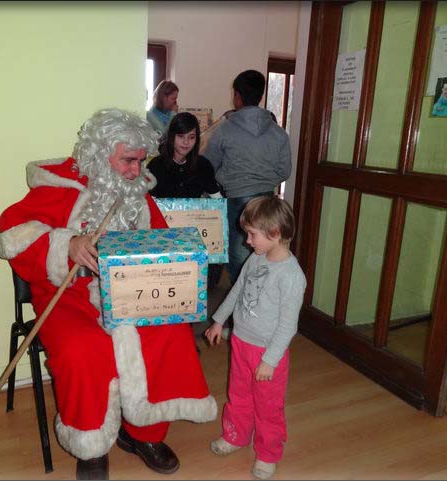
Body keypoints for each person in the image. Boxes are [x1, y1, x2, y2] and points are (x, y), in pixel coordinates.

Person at [0, 108, 217, 480]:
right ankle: (93, 445)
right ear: (101, 154)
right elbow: (11, 233)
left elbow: (161, 244)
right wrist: (66, 244)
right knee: (83, 349)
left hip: (132, 293)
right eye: (127, 161)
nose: (136, 171)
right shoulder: (60, 187)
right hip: (68, 295)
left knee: (171, 334)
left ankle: (143, 432)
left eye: (140, 160)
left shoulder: (136, 193)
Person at [204, 196, 306, 480]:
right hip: (241, 343)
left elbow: (288, 325)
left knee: (268, 406)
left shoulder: (291, 276)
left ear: (274, 234)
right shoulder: (256, 258)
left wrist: (270, 360)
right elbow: (236, 291)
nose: (248, 241)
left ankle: (268, 452)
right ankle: (235, 436)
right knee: (238, 395)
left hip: (267, 354)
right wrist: (219, 320)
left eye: (252, 235)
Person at [203, 69, 292, 285]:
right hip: (268, 203)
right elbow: (284, 171)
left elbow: (208, 165)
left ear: (237, 96)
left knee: (239, 262)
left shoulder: (224, 130)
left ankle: (242, 312)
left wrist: (226, 178)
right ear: (260, 96)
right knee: (265, 257)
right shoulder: (278, 132)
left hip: (236, 201)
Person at [147, 111, 223, 290]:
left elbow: (216, 198)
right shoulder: (156, 166)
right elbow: (147, 203)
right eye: (181, 136)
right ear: (171, 136)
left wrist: (220, 226)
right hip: (163, 236)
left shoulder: (203, 165)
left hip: (192, 237)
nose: (186, 142)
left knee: (191, 286)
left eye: (191, 137)